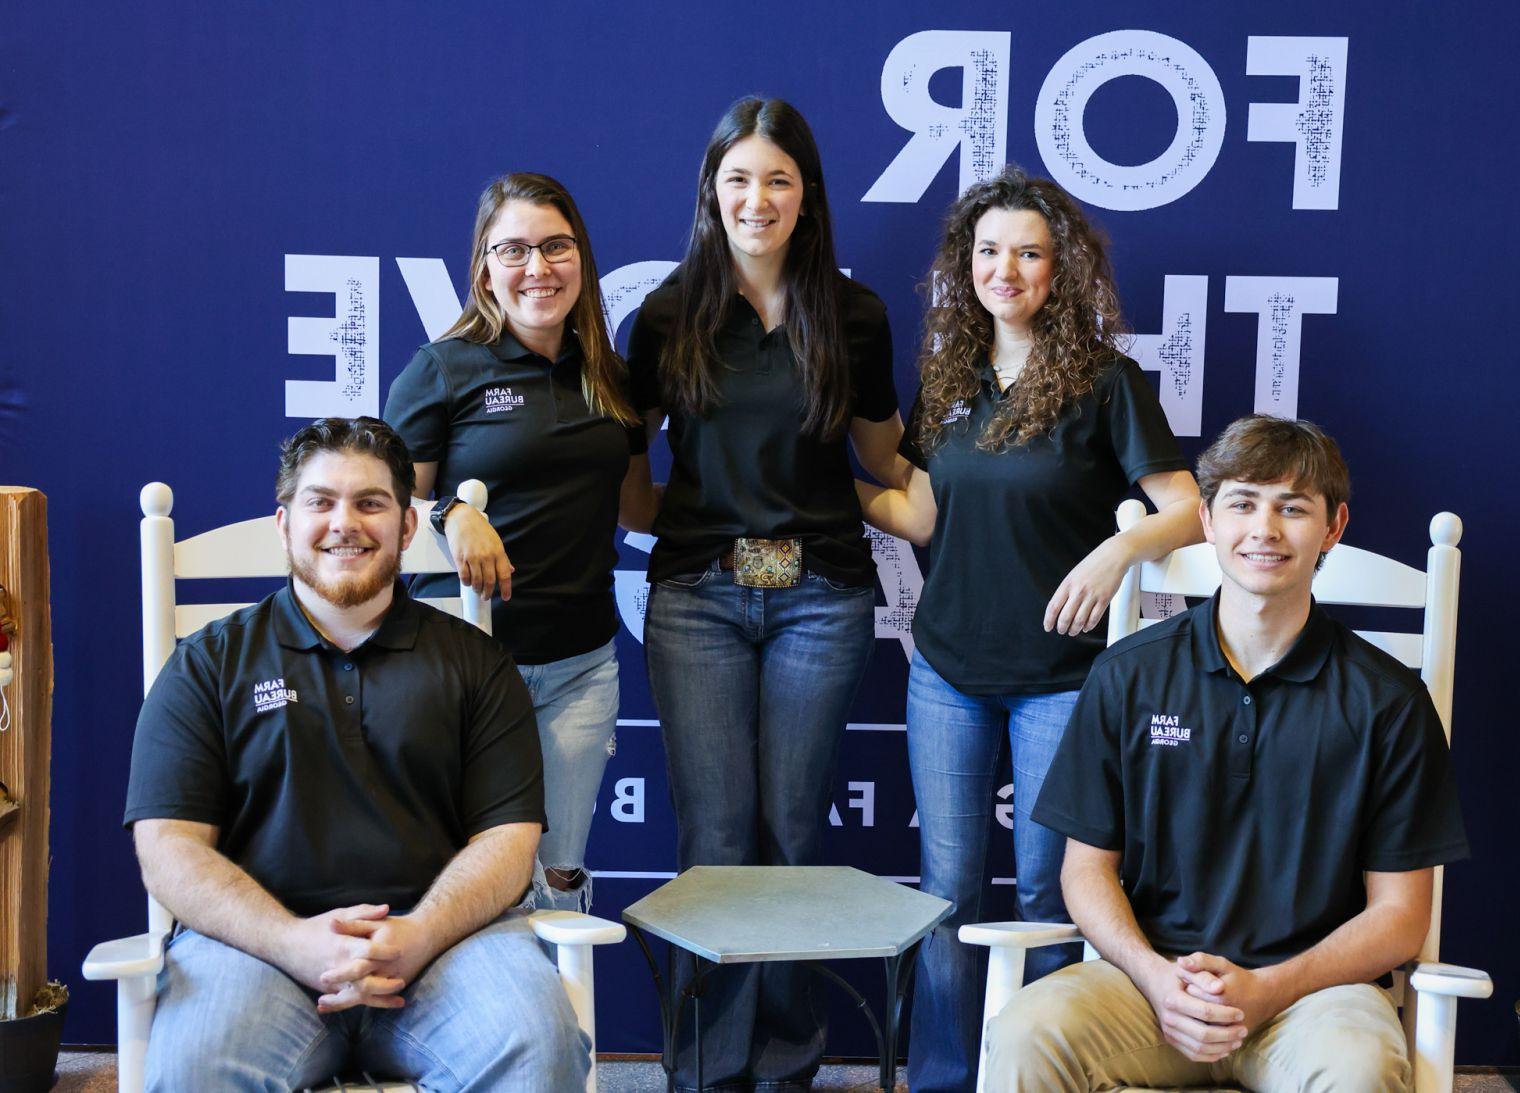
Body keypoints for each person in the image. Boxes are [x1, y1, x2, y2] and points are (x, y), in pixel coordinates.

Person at [983, 415, 1470, 1092]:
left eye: (1292, 508)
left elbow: (1400, 916)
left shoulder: (1388, 701)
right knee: (1023, 1035)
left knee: (1361, 1069)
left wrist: (1269, 989)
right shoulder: (1129, 675)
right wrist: (1157, 979)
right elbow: (1086, 872)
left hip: (1312, 995)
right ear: (1207, 520)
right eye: (1242, 503)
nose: (1263, 530)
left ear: (1333, 527)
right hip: (1148, 989)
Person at [856, 166, 1202, 1092]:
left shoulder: (1105, 380)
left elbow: (1189, 509)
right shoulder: (950, 378)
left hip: (1062, 676)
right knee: (946, 890)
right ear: (966, 263)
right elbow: (923, 513)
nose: (1005, 269)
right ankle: (939, 1074)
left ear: (1062, 268)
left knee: (1051, 891)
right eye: (989, 250)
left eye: (1029, 252)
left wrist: (1115, 554)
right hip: (947, 671)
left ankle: (1045, 1073)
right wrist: (817, 482)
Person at [124, 418, 588, 1092]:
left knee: (537, 1047)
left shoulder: (477, 664)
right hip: (258, 950)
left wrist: (419, 934)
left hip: (452, 946)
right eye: (321, 501)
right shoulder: (207, 664)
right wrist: (293, 942)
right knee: (193, 1064)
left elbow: (509, 843)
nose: (346, 522)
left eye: (371, 502)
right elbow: (168, 846)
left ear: (405, 526)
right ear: (284, 523)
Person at [625, 96, 906, 1091]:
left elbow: (883, 457)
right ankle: (706, 1064)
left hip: (820, 596)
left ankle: (787, 1063)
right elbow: (627, 468)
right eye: (737, 179)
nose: (757, 198)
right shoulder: (664, 315)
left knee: (791, 830)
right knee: (711, 835)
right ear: (710, 191)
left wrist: (956, 500)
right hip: (696, 599)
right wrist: (702, 524)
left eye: (777, 180)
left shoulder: (856, 313)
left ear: (806, 195)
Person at [385, 173, 652, 914]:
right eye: (515, 250)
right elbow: (384, 509)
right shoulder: (442, 369)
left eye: (556, 247)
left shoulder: (610, 378)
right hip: (462, 666)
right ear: (484, 269)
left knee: (558, 876)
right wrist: (448, 514)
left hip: (579, 670)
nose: (538, 268)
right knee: (457, 874)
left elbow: (638, 508)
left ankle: (558, 1030)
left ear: (582, 260)